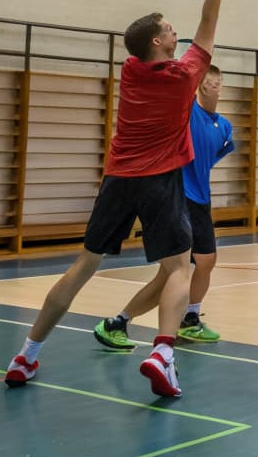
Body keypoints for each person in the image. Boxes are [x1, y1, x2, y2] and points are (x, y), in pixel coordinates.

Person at [4, 0, 242, 398]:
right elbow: (209, 21)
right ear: (158, 42)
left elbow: (176, 35)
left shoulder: (131, 70)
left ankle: (26, 354)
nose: (176, 31)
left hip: (117, 179)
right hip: (160, 181)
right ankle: (163, 353)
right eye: (169, 29)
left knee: (83, 265)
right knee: (179, 267)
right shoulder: (183, 77)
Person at [92, 63, 237, 349]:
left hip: (201, 199)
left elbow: (211, 158)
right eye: (212, 80)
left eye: (220, 80)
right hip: (178, 196)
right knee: (172, 273)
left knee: (206, 261)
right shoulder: (187, 113)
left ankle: (190, 318)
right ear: (200, 86)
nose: (217, 85)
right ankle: (118, 322)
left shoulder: (224, 126)